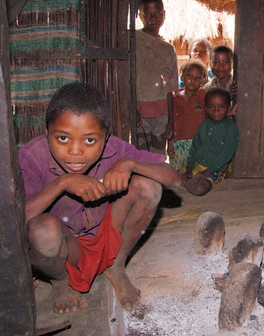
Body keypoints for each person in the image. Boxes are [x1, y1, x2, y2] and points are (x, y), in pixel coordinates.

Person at [19, 83, 185, 314]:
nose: (75, 151)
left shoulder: (115, 149)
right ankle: (59, 280)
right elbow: (16, 222)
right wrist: (62, 183)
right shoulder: (32, 156)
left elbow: (175, 179)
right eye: (63, 138)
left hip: (107, 232)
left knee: (148, 187)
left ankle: (116, 265)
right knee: (42, 230)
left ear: (106, 137)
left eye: (89, 140)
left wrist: (130, 164)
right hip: (67, 247)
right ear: (47, 132)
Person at [136, 0, 178, 155]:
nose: (153, 18)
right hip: (139, 109)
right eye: (147, 14)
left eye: (158, 13)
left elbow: (171, 87)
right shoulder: (133, 40)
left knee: (158, 157)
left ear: (164, 15)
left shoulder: (168, 49)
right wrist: (133, 107)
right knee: (140, 156)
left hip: (162, 112)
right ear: (140, 15)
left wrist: (171, 122)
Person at [183, 87, 240, 196]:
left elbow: (226, 155)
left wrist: (206, 173)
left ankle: (187, 182)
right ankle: (188, 180)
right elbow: (194, 147)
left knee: (200, 189)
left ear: (229, 108)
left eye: (221, 107)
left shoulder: (230, 128)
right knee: (170, 173)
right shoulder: (204, 125)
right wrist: (189, 168)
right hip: (196, 165)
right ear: (206, 108)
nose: (216, 111)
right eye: (211, 107)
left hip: (214, 170)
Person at [165, 59, 207, 172]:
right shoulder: (173, 98)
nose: (193, 79)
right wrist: (169, 143)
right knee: (178, 175)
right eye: (189, 75)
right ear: (182, 77)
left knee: (195, 174)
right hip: (177, 144)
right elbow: (171, 122)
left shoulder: (204, 95)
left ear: (204, 80)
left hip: (198, 143)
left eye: (198, 77)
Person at [203, 45, 240, 115]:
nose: (221, 66)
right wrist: (228, 98)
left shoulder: (236, 86)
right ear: (210, 64)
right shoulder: (207, 88)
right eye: (216, 62)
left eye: (226, 62)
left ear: (233, 64)